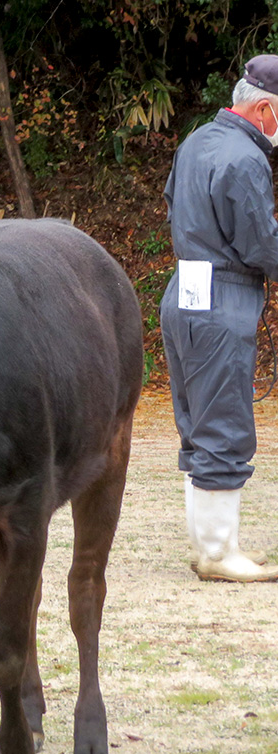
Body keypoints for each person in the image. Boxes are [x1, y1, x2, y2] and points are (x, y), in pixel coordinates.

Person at [161, 53, 278, 583]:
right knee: (226, 421)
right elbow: (260, 242)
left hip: (183, 288)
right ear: (265, 110)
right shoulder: (246, 159)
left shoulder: (196, 141)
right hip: (223, 296)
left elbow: (171, 202)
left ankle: (217, 543)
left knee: (197, 420)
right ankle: (216, 553)